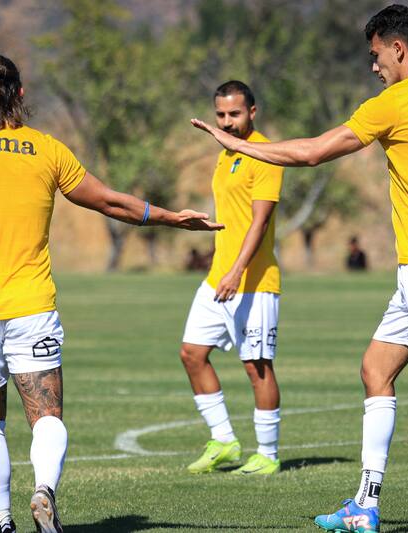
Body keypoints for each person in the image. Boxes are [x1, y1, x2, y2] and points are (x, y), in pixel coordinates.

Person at [191, 5, 408, 532]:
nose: (373, 66)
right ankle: (365, 507)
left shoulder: (392, 102)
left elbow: (313, 153)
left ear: (397, 47)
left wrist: (239, 145)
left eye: (375, 55)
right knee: (375, 371)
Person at [0, 55, 222, 533]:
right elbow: (110, 201)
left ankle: (3, 523)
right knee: (46, 414)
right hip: (32, 305)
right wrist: (173, 217)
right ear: (22, 96)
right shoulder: (47, 150)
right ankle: (44, 489)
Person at [180, 81, 284, 476]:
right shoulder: (226, 156)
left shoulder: (266, 154)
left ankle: (268, 454)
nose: (227, 121)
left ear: (252, 112)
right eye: (221, 115)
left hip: (254, 283)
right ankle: (224, 441)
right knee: (192, 353)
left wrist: (237, 270)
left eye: (234, 114)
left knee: (257, 366)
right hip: (217, 278)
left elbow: (259, 222)